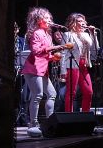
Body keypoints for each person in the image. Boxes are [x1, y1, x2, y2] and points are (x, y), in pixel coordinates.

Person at [21, 7, 69, 135]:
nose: (49, 20)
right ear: (38, 20)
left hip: (42, 69)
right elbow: (36, 51)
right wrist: (58, 46)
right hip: (33, 68)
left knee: (52, 94)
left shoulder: (47, 34)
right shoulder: (36, 33)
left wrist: (54, 57)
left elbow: (45, 55)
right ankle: (33, 123)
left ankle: (50, 122)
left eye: (50, 18)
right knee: (37, 95)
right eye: (46, 18)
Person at [60, 13, 99, 113]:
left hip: (84, 65)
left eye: (83, 21)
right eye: (79, 21)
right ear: (73, 23)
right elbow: (63, 53)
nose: (82, 23)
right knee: (71, 92)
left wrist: (93, 34)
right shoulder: (68, 34)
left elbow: (95, 48)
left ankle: (85, 115)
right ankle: (69, 116)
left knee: (88, 92)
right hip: (72, 64)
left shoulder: (86, 35)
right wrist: (63, 70)